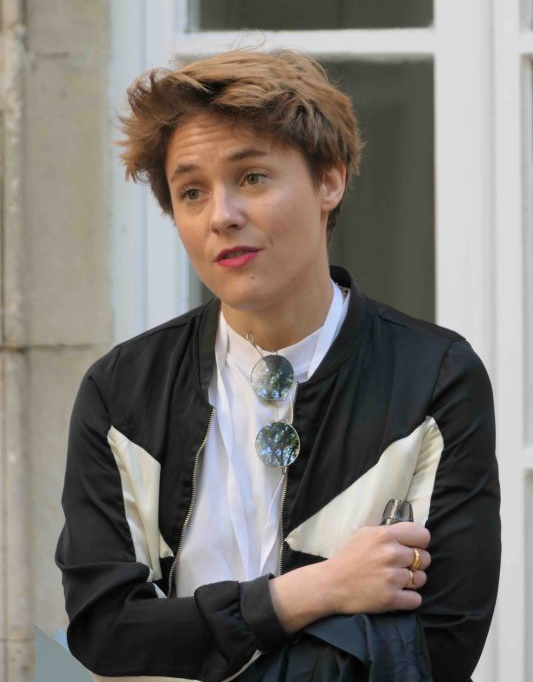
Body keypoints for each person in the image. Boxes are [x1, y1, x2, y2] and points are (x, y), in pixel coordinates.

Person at [55, 49, 500, 682]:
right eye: (191, 192)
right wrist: (314, 592)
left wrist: (190, 635)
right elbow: (106, 631)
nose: (222, 216)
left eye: (253, 177)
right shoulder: (123, 391)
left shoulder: (434, 379)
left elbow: (435, 649)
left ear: (329, 180)